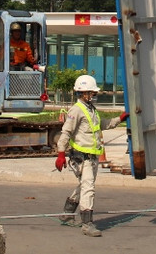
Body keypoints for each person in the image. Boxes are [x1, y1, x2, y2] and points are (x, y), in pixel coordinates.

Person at [54, 75, 129, 237]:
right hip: (81, 157)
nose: (92, 95)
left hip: (92, 156)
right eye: (90, 93)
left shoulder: (90, 109)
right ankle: (87, 224)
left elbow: (100, 125)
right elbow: (66, 131)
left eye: (92, 93)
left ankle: (67, 213)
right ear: (82, 93)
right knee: (88, 187)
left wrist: (119, 119)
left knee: (84, 184)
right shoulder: (76, 110)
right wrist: (61, 153)